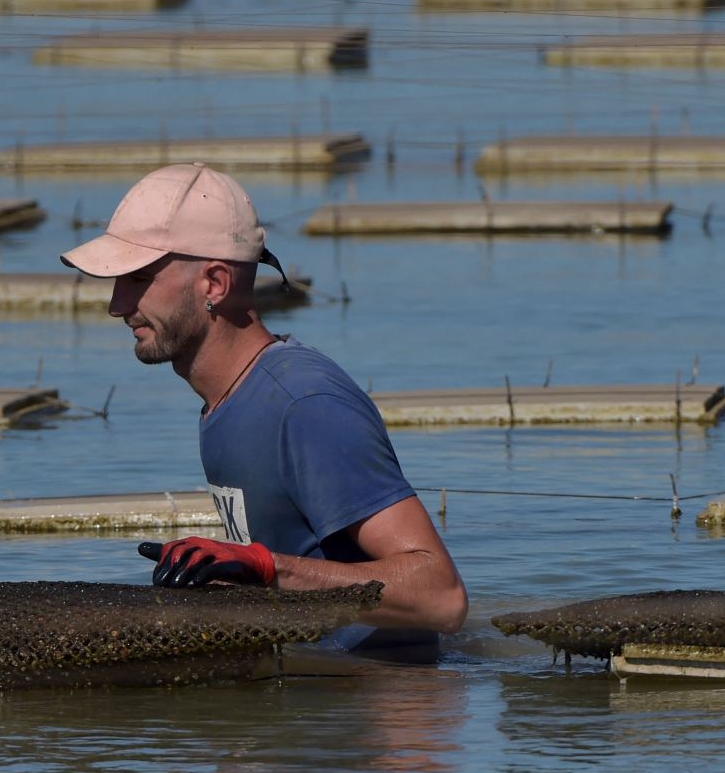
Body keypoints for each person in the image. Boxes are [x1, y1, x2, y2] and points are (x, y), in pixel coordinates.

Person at [61, 163, 468, 643]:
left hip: (376, 701)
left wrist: (265, 566)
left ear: (214, 283)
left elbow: (441, 597)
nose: (116, 305)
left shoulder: (305, 405)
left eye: (138, 279)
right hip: (313, 701)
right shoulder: (226, 400)